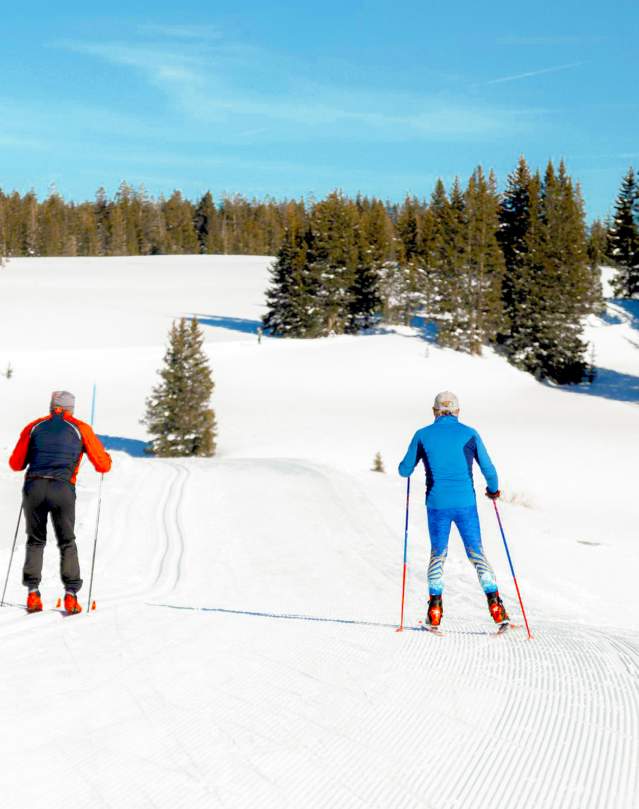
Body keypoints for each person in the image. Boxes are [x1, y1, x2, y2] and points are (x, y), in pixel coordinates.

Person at [398, 391, 508, 628]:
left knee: (438, 554)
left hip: (437, 504)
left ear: (434, 411)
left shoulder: (422, 435)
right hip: (466, 504)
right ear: (458, 411)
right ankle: (496, 606)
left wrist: (407, 464)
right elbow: (489, 470)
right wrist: (493, 490)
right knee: (476, 554)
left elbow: (404, 470)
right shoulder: (470, 434)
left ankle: (435, 610)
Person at [8, 391, 112, 614]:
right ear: (71, 408)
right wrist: (107, 459)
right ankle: (71, 596)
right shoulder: (80, 428)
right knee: (67, 541)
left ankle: (33, 594)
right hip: (62, 489)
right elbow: (102, 465)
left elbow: (16, 463)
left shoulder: (34, 426)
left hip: (34, 487)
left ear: (51, 406)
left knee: (35, 541)